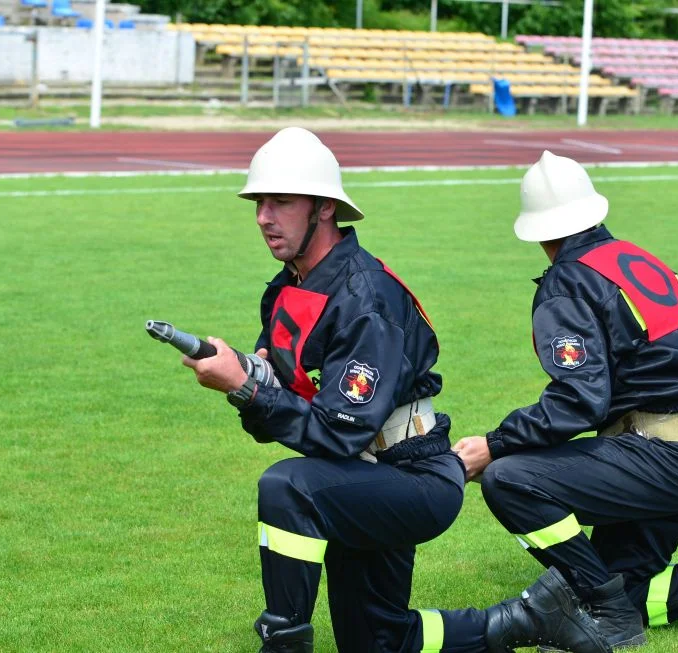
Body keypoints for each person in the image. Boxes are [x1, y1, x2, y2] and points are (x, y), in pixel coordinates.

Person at [181, 129, 611, 653]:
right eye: (259, 202)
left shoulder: (366, 297)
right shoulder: (285, 290)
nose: (263, 217)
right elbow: (280, 424)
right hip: (357, 476)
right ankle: (532, 618)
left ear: (323, 208)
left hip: (411, 476)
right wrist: (252, 382)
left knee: (286, 487)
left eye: (281, 202)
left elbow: (337, 433)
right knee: (378, 642)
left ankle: (283, 643)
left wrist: (248, 388)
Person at [452, 151, 678, 649]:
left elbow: (581, 400)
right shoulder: (642, 262)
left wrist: (495, 444)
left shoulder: (568, 279)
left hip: (656, 452)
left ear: (537, 230)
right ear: (594, 211)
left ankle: (603, 613)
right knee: (628, 589)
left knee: (511, 479)